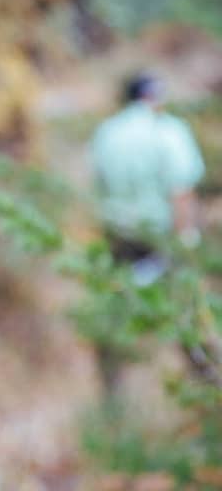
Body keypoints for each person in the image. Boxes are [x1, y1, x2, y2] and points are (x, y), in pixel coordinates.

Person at [88, 72, 206, 394]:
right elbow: (181, 190)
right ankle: (208, 386)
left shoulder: (106, 133)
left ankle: (112, 392)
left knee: (115, 316)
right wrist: (186, 240)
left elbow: (97, 187)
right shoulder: (167, 131)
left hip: (120, 240)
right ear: (154, 98)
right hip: (162, 240)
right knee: (189, 319)